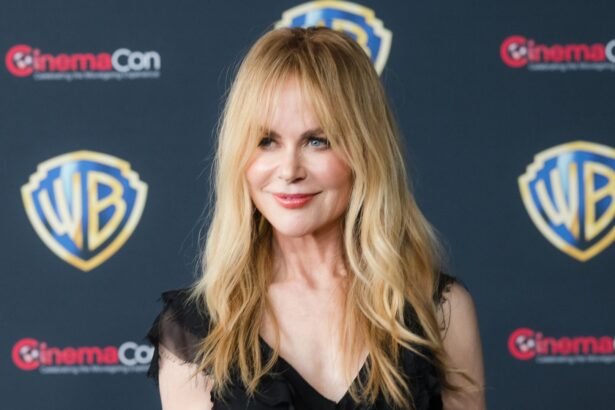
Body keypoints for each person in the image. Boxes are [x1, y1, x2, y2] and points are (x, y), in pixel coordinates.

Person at [147, 26, 485, 410]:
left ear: (365, 150)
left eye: (317, 141)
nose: (289, 170)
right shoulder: (191, 332)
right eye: (266, 141)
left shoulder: (439, 310)